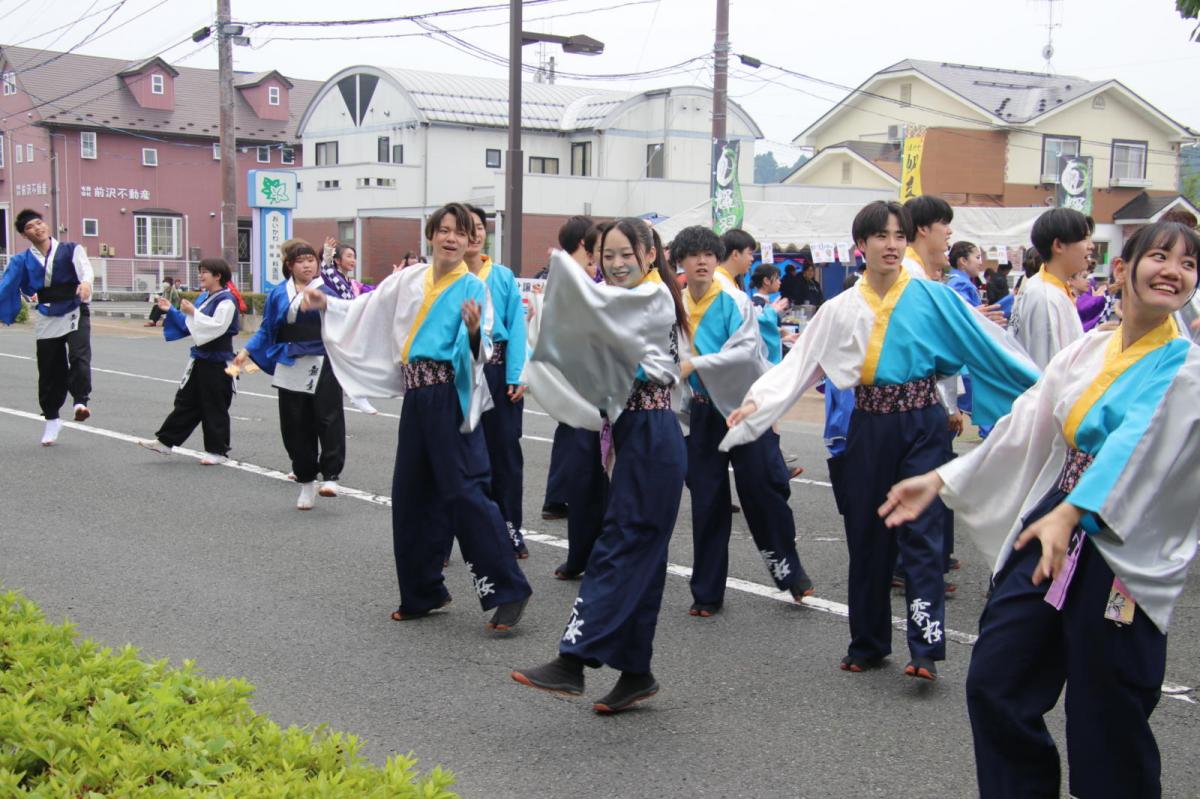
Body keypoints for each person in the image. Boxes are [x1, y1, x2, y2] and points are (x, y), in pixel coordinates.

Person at [879, 220, 1200, 798]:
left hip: (1119, 541)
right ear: (1122, 270)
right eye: (1159, 256)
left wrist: (1077, 510)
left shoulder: (1186, 369)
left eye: (1189, 264)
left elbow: (1139, 445)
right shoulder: (1088, 349)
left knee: (1108, 710)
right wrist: (942, 476)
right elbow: (1027, 421)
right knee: (997, 679)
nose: (1174, 271)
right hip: (1056, 516)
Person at [723, 200, 1040, 681]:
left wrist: (1053, 391)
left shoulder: (934, 297)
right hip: (869, 426)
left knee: (923, 535)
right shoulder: (841, 307)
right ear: (861, 246)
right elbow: (800, 362)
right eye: (881, 237)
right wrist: (757, 402)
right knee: (868, 536)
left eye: (898, 236)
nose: (892, 245)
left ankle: (925, 647)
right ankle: (868, 642)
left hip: (922, 423)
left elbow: (986, 346)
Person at [303, 203, 532, 630]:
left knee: (466, 491)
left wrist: (475, 330)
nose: (450, 238)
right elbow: (365, 308)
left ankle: (509, 589)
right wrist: (327, 304)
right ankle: (423, 592)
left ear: (470, 242)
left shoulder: (474, 288)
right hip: (418, 396)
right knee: (411, 494)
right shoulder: (407, 279)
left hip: (451, 394)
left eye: (459, 233)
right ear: (431, 235)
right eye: (443, 230)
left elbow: (482, 351)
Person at [512, 217, 688, 713]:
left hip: (652, 436)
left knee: (618, 545)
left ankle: (574, 659)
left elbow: (596, 313)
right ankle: (637, 673)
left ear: (650, 254)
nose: (614, 265)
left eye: (624, 254)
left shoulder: (650, 298)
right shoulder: (638, 296)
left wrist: (558, 282)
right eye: (605, 256)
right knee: (641, 557)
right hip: (636, 435)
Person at [674, 225, 814, 617]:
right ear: (681, 261)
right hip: (703, 412)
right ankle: (706, 593)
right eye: (693, 255)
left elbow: (744, 352)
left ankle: (790, 571)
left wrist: (693, 364)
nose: (702, 261)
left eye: (708, 254)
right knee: (707, 501)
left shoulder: (735, 301)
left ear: (717, 260)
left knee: (763, 492)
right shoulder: (676, 304)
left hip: (746, 409)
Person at [234, 240, 346, 510]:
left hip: (323, 359)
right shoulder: (277, 294)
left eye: (311, 260)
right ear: (289, 265)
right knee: (295, 423)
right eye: (301, 261)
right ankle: (306, 480)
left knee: (328, 417)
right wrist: (247, 351)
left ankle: (331, 475)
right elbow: (267, 328)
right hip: (290, 361)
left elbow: (345, 318)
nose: (307, 264)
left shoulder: (328, 290)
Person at [463, 204, 528, 557]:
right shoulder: (447, 277)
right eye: (465, 227)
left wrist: (517, 374)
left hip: (497, 371)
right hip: (459, 375)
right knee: (457, 455)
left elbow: (517, 326)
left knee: (504, 454)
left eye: (477, 227)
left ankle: (510, 527)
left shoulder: (502, 276)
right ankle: (449, 535)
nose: (473, 234)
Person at [0, 209, 94, 444]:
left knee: (79, 355)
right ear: (24, 234)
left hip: (74, 308)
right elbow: (6, 285)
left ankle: (80, 401)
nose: (38, 228)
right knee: (50, 368)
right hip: (46, 314)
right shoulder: (21, 260)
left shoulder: (71, 249)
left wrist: (85, 283)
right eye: (31, 227)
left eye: (39, 223)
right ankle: (52, 419)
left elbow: (86, 270)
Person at [139, 258, 240, 465]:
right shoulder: (205, 297)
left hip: (219, 361)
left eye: (205, 272)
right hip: (201, 358)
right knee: (187, 401)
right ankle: (166, 441)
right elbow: (189, 324)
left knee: (214, 404)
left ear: (218, 275)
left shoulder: (227, 300)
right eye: (200, 271)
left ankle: (217, 450)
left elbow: (216, 327)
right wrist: (171, 310)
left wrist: (193, 313)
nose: (201, 275)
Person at [540, 219, 595, 521]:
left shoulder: (565, 271)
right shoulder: (573, 275)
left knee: (571, 428)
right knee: (579, 427)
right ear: (585, 243)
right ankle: (563, 496)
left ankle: (559, 495)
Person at [1010, 208, 1093, 369]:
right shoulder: (1045, 297)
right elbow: (1047, 369)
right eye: (1084, 239)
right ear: (1059, 245)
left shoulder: (1047, 288)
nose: (1091, 246)